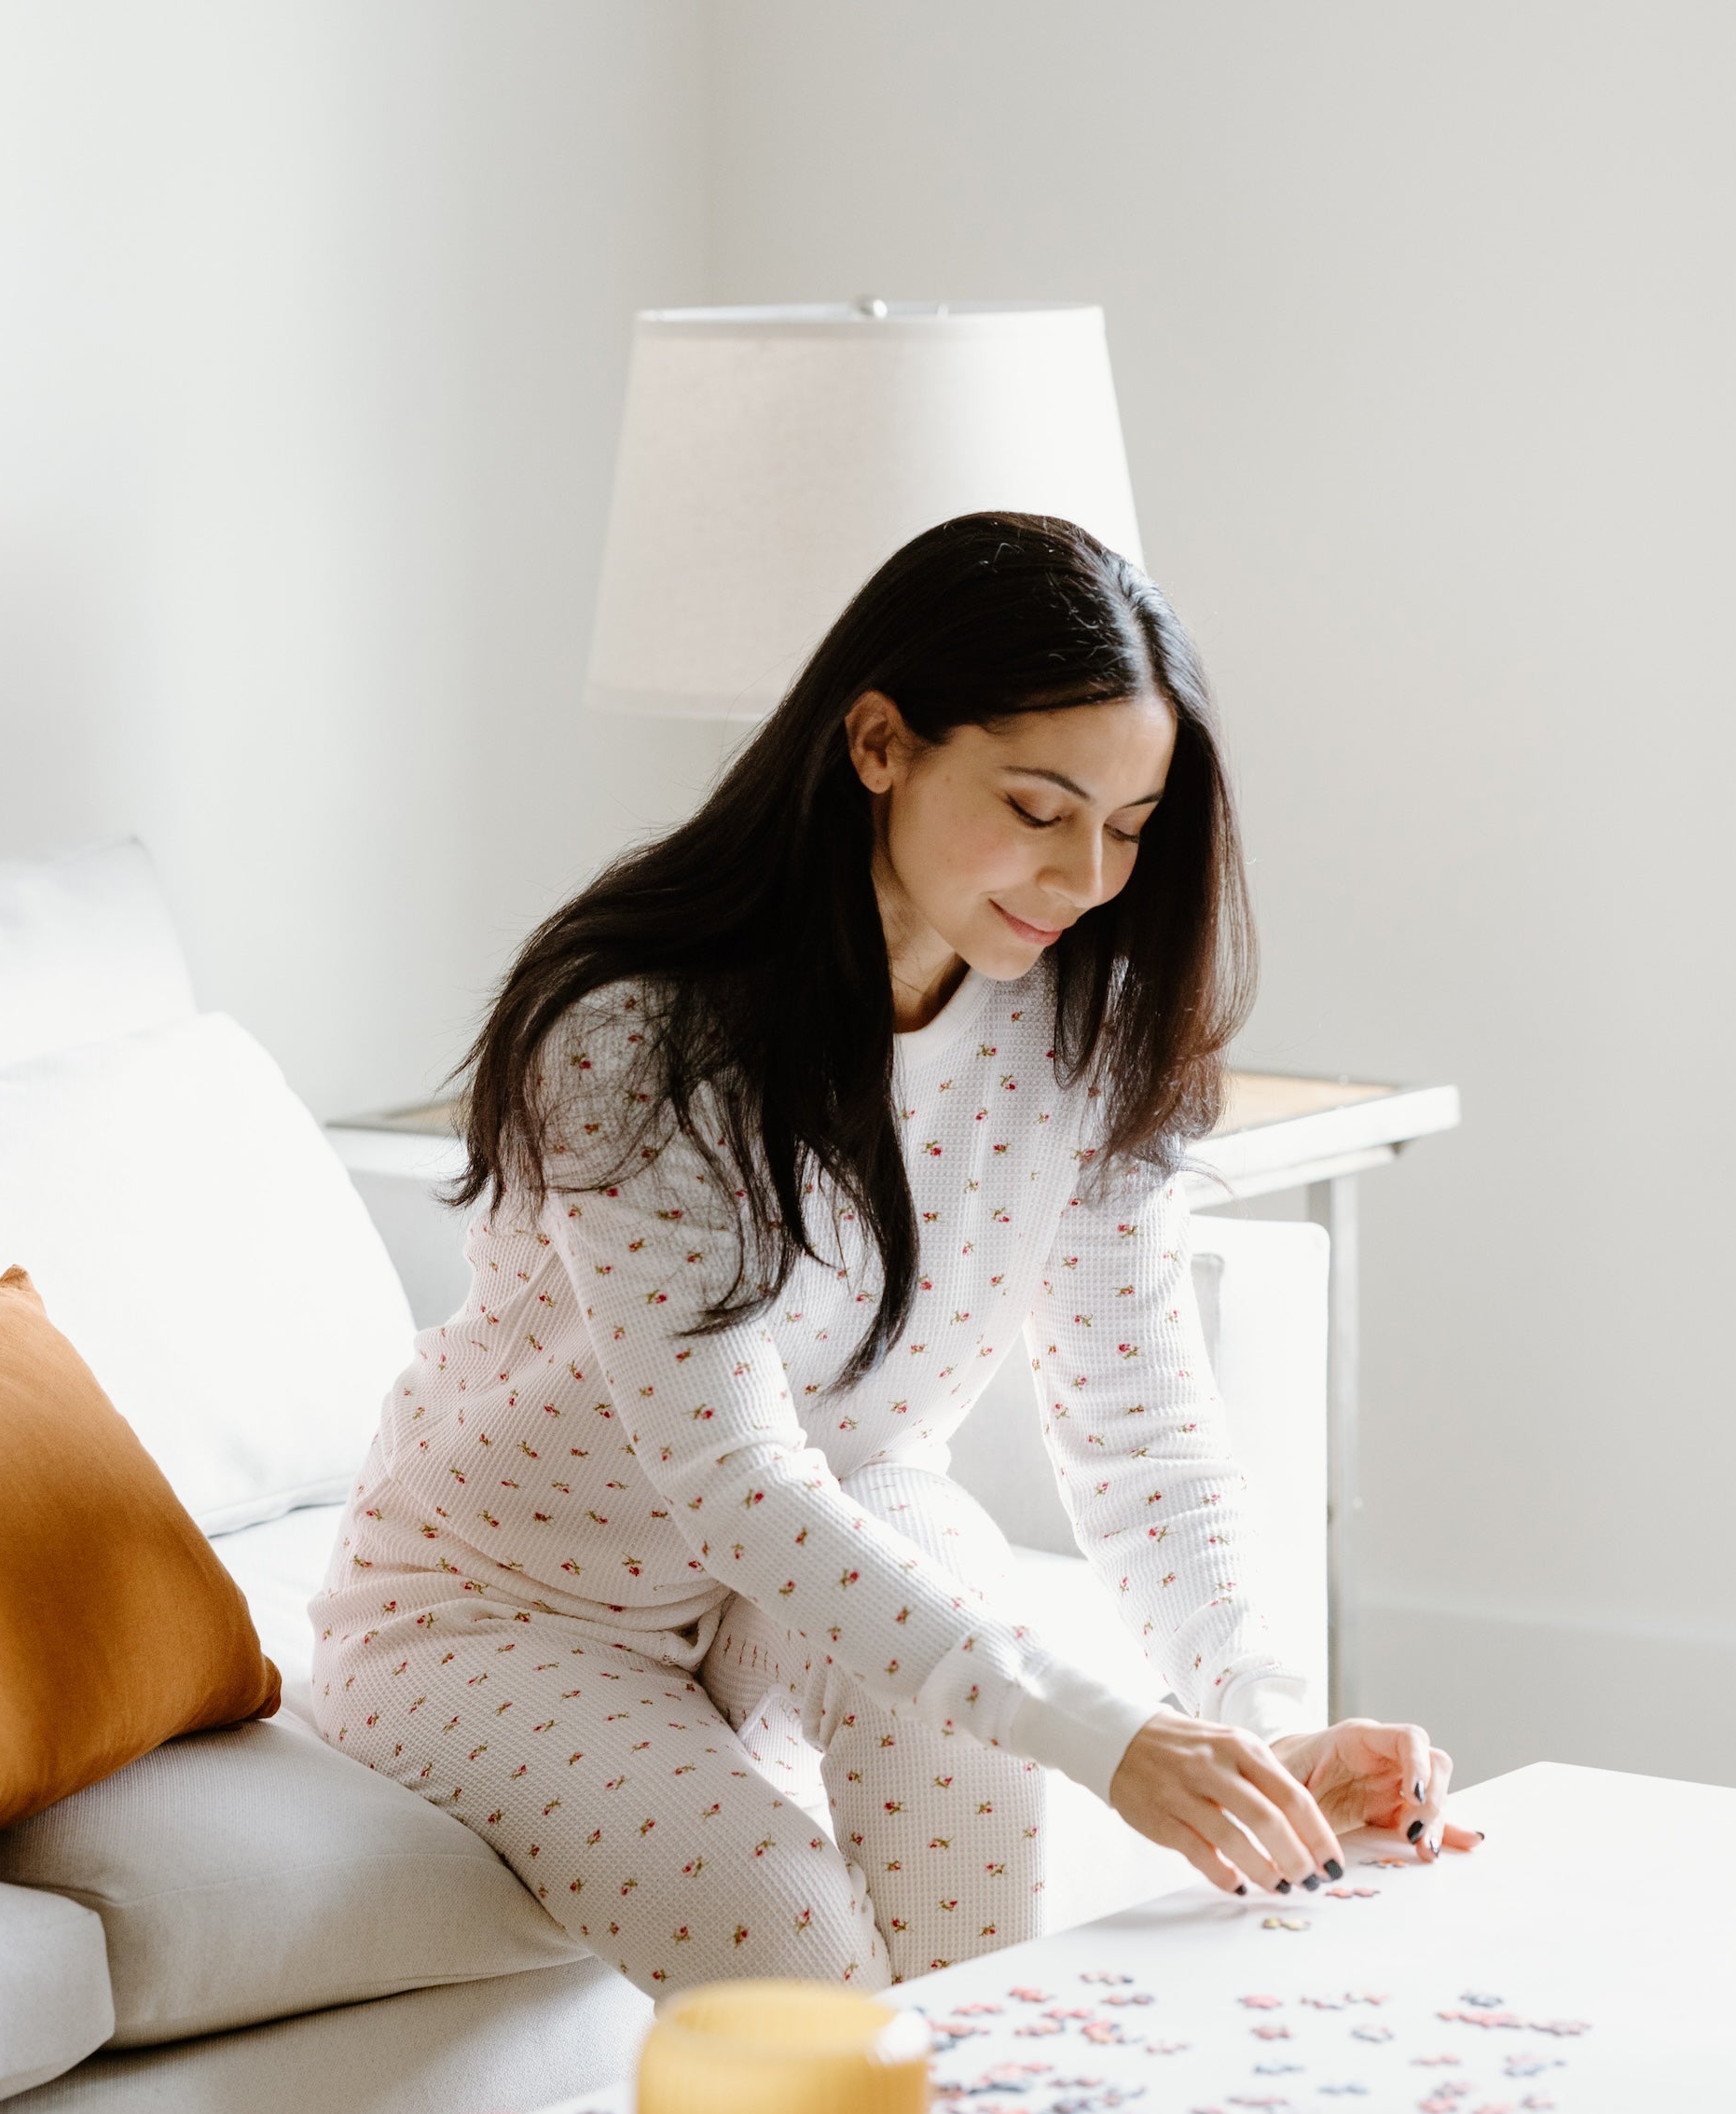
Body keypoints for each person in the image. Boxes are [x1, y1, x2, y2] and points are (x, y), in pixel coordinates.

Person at [313, 512, 1477, 1993]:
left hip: (803, 1555)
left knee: (969, 1716)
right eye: (1040, 808)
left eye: (1127, 829)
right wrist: (1106, 1736)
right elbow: (740, 1483)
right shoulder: (636, 1035)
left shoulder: (1081, 1027)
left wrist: (1255, 1721)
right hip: (493, 1610)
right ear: (878, 744)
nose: (1083, 877)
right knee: (779, 1918)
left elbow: (1141, 1433)